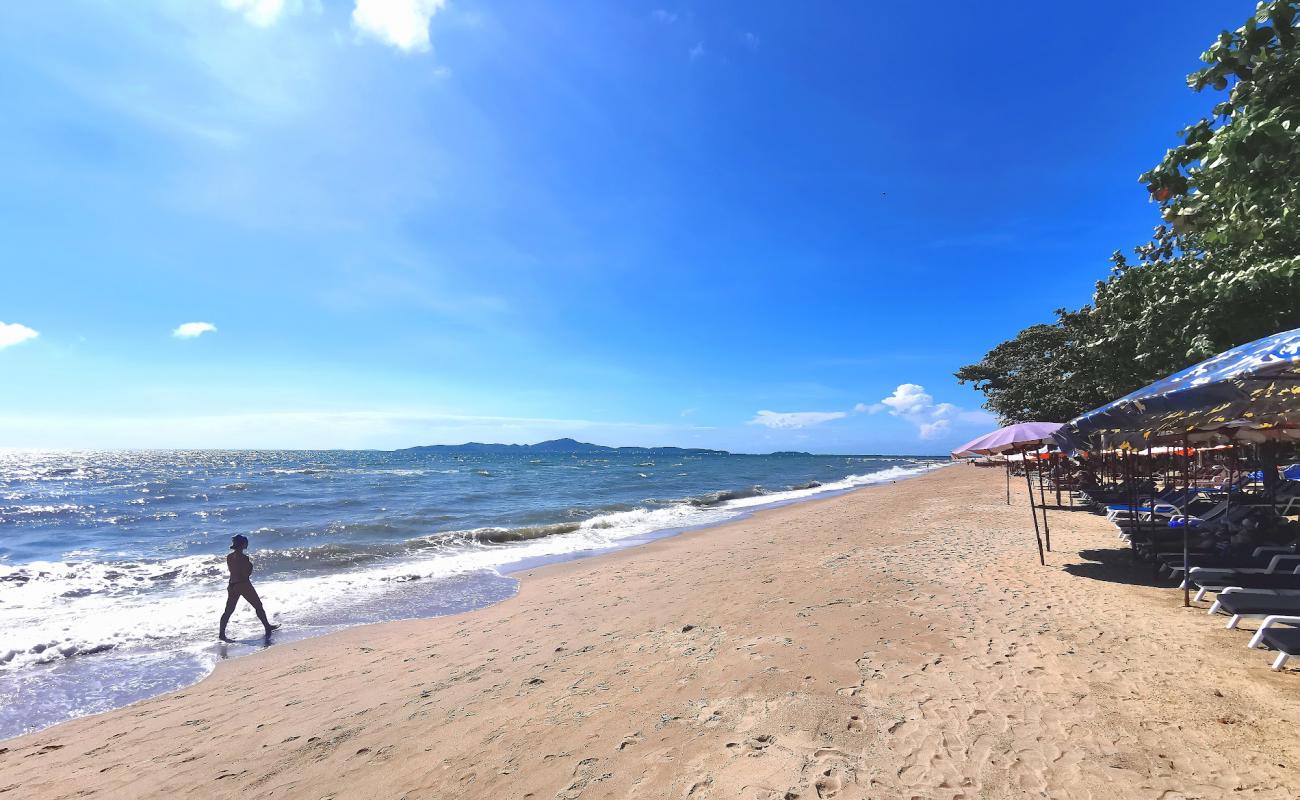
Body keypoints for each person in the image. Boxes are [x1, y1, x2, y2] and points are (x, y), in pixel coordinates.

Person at [219, 534, 280, 641]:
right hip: (243, 584)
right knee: (258, 606)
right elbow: (246, 574)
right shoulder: (244, 558)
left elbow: (233, 571)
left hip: (232, 585)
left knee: (228, 611)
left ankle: (221, 634)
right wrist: (250, 566)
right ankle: (267, 627)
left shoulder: (229, 557)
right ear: (243, 544)